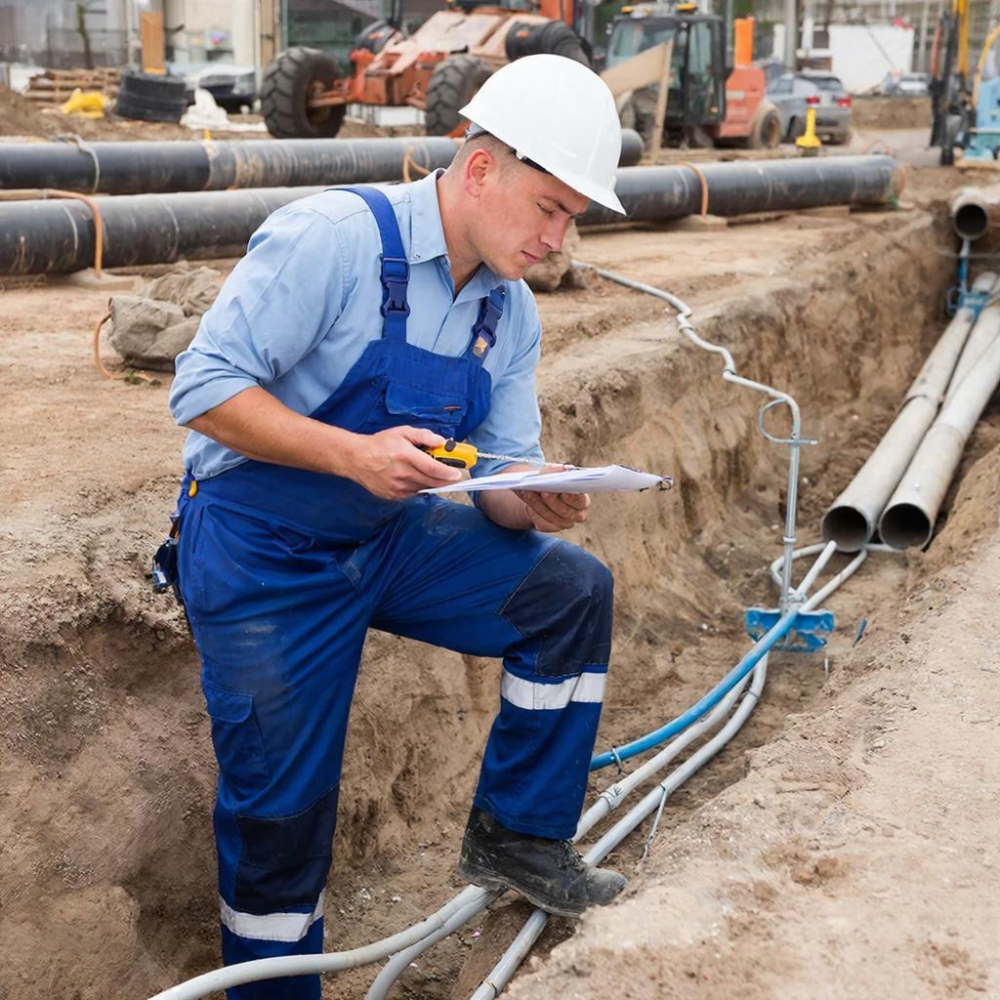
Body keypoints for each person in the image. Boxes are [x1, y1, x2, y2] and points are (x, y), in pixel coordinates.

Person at [163, 54, 628, 999]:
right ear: (481, 167)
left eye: (573, 217)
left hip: (383, 537)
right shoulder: (332, 240)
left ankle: (519, 838)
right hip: (261, 549)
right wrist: (351, 454)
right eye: (549, 208)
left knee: (569, 589)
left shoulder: (508, 310)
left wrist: (535, 494)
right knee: (283, 812)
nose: (557, 240)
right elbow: (201, 389)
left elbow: (494, 479)